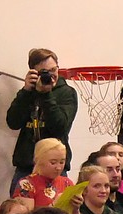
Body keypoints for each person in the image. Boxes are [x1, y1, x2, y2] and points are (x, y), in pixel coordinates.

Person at [5, 48, 78, 191]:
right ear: (33, 72)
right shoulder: (28, 92)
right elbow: (13, 122)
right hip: (26, 166)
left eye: (53, 70)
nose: (51, 76)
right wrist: (25, 92)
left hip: (55, 168)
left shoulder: (66, 93)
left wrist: (46, 95)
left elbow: (60, 126)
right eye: (44, 72)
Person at [13, 138, 72, 208]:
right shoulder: (26, 185)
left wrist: (76, 209)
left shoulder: (67, 183)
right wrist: (54, 204)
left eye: (62, 162)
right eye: (53, 163)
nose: (58, 167)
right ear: (40, 161)